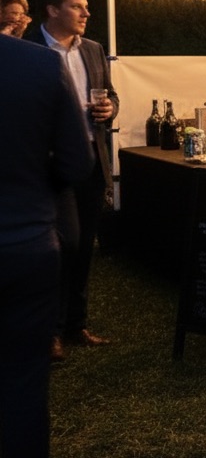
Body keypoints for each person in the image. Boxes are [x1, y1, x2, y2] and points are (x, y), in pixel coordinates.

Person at [0, 35, 93, 458]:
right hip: (24, 242)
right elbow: (77, 162)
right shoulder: (38, 64)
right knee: (22, 385)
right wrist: (35, 193)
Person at [32, 0, 118, 362]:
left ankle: (75, 324)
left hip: (90, 157)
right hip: (44, 166)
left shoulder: (95, 50)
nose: (86, 13)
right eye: (77, 6)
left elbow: (110, 93)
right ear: (52, 10)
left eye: (85, 7)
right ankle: (46, 330)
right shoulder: (26, 50)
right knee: (55, 248)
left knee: (84, 246)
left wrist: (109, 108)